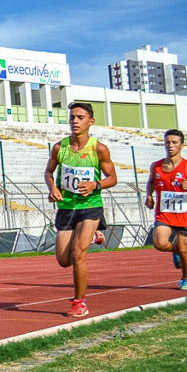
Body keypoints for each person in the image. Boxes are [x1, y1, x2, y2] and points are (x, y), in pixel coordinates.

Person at [44, 102, 117, 318]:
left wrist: (96, 185)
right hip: (67, 207)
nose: (75, 121)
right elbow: (48, 173)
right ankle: (95, 235)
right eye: (72, 117)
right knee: (63, 260)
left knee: (78, 253)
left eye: (80, 117)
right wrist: (53, 187)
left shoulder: (98, 148)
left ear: (90, 122)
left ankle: (79, 302)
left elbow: (112, 178)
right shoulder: (60, 147)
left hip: (90, 207)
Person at [144, 129, 187, 289]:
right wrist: (149, 196)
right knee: (159, 243)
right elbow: (151, 182)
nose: (170, 145)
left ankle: (186, 278)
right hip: (164, 213)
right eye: (167, 142)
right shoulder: (156, 166)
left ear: (181, 145)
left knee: (185, 249)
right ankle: (177, 251)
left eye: (174, 142)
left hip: (185, 215)